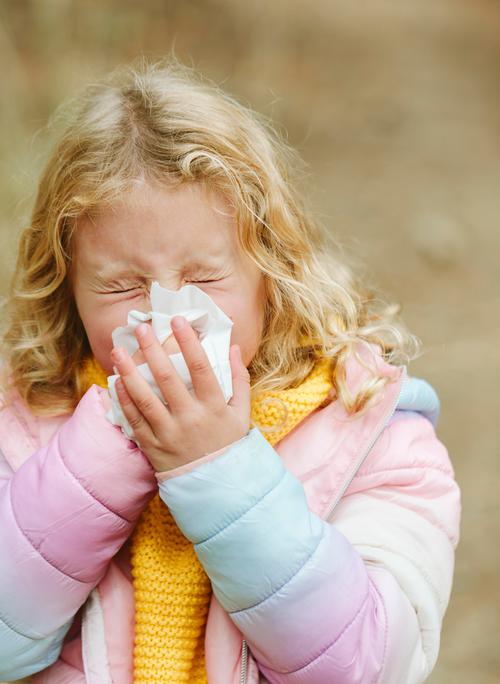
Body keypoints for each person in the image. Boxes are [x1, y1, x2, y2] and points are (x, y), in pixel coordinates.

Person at [0, 57, 460, 684]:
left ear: (270, 270)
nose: (171, 317)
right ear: (67, 289)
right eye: (122, 286)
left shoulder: (372, 436)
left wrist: (219, 470)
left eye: (204, 277)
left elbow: (364, 667)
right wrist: (103, 451)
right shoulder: (25, 421)